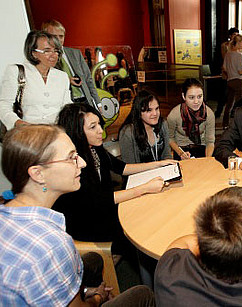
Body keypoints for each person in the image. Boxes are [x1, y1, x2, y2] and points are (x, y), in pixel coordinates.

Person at [0, 125, 155, 306]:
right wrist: (97, 298)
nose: (82, 162)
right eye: (71, 158)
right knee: (142, 294)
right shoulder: (51, 244)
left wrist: (86, 291)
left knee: (94, 260)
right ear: (38, 173)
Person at [53, 103, 174, 254]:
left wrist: (158, 164)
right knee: (142, 230)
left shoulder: (95, 148)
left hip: (105, 210)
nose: (100, 131)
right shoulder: (73, 164)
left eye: (99, 124)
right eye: (93, 127)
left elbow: (122, 168)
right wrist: (144, 188)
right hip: (89, 224)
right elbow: (98, 201)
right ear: (77, 132)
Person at [0, 30, 71, 130]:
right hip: (27, 134)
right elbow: (3, 104)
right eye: (47, 51)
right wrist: (17, 123)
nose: (54, 55)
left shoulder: (62, 76)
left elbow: (67, 106)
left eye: (56, 50)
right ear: (33, 53)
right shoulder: (17, 71)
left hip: (56, 133)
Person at [42, 19, 101, 110]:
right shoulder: (43, 57)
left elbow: (88, 79)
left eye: (61, 36)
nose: (58, 39)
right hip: (66, 105)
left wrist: (98, 103)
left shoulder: (75, 53)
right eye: (54, 36)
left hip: (86, 101)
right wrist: (66, 79)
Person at [167, 78, 215, 160]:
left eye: (200, 96)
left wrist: (207, 160)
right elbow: (169, 138)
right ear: (183, 96)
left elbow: (210, 142)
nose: (196, 101)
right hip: (181, 149)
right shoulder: (174, 115)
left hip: (201, 148)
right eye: (191, 97)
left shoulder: (209, 114)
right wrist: (181, 153)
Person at [119, 90, 171, 163]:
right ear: (139, 112)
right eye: (149, 110)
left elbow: (167, 155)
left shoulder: (163, 124)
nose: (155, 113)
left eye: (157, 108)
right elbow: (129, 166)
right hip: (140, 174)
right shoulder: (128, 132)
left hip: (162, 172)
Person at [222, 34, 242, 128]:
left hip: (230, 80)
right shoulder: (239, 55)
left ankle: (225, 123)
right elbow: (241, 71)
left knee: (229, 103)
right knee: (240, 104)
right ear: (239, 42)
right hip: (238, 81)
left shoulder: (228, 54)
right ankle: (239, 126)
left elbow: (224, 68)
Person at [216, 27, 240, 118]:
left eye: (237, 35)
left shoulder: (238, 46)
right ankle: (218, 112)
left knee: (233, 96)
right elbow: (225, 57)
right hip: (226, 74)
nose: (236, 36)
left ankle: (233, 112)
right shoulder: (225, 45)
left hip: (235, 75)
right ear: (230, 36)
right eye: (234, 34)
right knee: (223, 95)